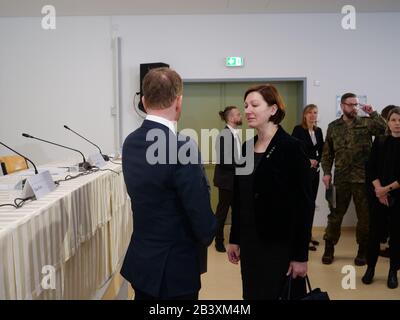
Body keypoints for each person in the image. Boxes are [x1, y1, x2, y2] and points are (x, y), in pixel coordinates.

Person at [120, 67, 216, 300]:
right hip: (175, 268)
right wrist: (210, 233)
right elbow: (199, 214)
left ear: (143, 101)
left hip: (142, 263)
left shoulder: (130, 143)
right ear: (178, 101)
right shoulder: (182, 147)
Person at [227, 84, 314, 300]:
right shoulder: (247, 148)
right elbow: (240, 198)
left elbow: (304, 205)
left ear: (273, 110)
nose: (248, 110)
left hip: (280, 247)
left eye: (255, 105)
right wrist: (234, 238)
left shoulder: (291, 147)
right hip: (250, 244)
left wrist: (300, 256)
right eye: (246, 105)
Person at [321, 93, 386, 266]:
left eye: (356, 104)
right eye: (351, 104)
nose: (354, 108)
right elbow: (327, 154)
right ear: (342, 106)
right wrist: (326, 172)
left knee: (364, 217)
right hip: (341, 179)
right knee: (335, 215)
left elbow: (385, 130)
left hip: (363, 179)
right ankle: (329, 247)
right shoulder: (333, 127)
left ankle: (362, 250)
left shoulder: (366, 123)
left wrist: (373, 113)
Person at [362, 107, 400, 289]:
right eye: (393, 120)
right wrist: (379, 190)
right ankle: (370, 268)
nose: (397, 123)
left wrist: (386, 189)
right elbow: (371, 168)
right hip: (378, 196)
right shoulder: (380, 141)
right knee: (374, 235)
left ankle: (393, 272)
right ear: (388, 122)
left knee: (397, 236)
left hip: (397, 196)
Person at [292, 104, 324, 251]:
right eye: (309, 112)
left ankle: (308, 235)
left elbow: (322, 150)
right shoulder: (298, 130)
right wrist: (307, 161)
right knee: (302, 205)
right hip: (302, 173)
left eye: (315, 113)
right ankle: (301, 238)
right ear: (304, 115)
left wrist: (318, 161)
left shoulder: (318, 131)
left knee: (311, 205)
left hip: (315, 173)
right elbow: (294, 150)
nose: (313, 115)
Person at [213, 106, 242, 252]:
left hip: (235, 180)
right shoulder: (224, 134)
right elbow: (225, 160)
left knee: (237, 211)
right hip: (226, 181)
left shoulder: (235, 133)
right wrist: (243, 164)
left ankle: (234, 240)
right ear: (231, 118)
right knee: (222, 213)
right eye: (238, 114)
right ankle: (218, 241)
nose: (241, 115)